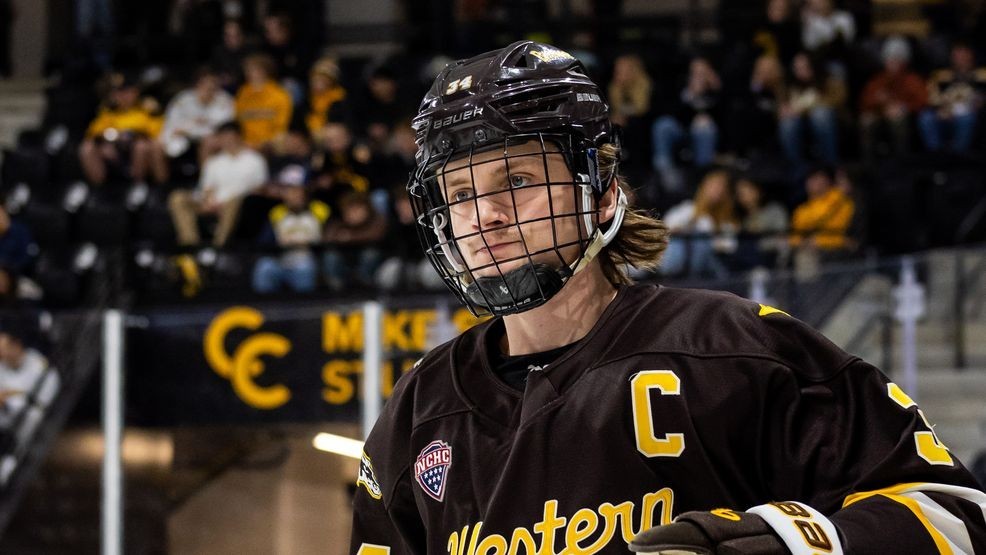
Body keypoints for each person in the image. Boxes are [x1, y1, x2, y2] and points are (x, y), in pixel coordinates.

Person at [350, 40, 986, 555]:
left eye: (515, 179)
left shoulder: (730, 346)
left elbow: (958, 515)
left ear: (599, 191)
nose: (485, 215)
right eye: (459, 195)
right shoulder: (420, 409)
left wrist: (793, 540)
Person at [167, 121, 267, 247]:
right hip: (213, 202)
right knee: (178, 198)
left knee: (233, 203)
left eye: (229, 136)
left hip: (240, 205)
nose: (227, 141)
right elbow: (207, 187)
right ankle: (191, 245)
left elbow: (259, 188)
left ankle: (219, 246)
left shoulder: (255, 160)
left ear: (238, 136)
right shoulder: (214, 162)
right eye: (223, 137)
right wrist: (209, 201)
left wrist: (225, 202)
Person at [78, 73, 168, 186]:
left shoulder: (147, 109)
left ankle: (138, 186)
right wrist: (105, 142)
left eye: (127, 92)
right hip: (117, 151)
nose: (123, 96)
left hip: (140, 149)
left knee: (141, 146)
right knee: (87, 147)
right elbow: (92, 132)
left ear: (136, 92)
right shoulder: (109, 111)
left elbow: (157, 131)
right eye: (120, 93)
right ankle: (99, 189)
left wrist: (137, 133)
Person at [651, 56, 722, 192]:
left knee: (705, 128)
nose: (699, 76)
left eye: (703, 72)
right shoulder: (682, 87)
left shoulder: (718, 90)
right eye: (695, 72)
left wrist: (717, 90)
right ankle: (666, 173)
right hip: (682, 129)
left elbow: (727, 118)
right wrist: (691, 94)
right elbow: (672, 112)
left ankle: (702, 178)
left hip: (705, 135)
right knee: (662, 125)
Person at [251, 180, 328, 294]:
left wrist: (310, 244)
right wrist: (277, 243)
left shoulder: (319, 211)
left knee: (305, 268)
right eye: (290, 195)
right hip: (281, 259)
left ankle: (306, 305)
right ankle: (263, 305)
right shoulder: (277, 214)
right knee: (264, 266)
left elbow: (329, 236)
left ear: (304, 196)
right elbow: (263, 241)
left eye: (297, 195)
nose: (294, 199)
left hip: (306, 259)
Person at [859, 36, 928, 161]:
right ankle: (868, 162)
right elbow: (865, 102)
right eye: (889, 59)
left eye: (896, 60)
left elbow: (922, 101)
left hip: (903, 115)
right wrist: (879, 102)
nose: (892, 63)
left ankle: (901, 159)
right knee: (866, 121)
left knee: (897, 120)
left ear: (904, 62)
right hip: (879, 112)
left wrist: (903, 107)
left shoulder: (912, 80)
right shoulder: (878, 80)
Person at [660, 169, 738, 279]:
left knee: (703, 243)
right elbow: (664, 231)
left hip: (712, 265)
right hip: (681, 261)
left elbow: (730, 246)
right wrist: (686, 228)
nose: (717, 191)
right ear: (703, 187)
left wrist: (710, 241)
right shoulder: (687, 209)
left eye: (722, 187)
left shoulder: (727, 220)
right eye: (713, 186)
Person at [778, 51, 845, 166]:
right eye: (797, 69)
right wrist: (782, 110)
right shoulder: (789, 85)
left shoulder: (829, 80)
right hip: (799, 122)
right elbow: (782, 106)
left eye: (804, 68)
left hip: (831, 120)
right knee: (787, 124)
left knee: (820, 115)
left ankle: (830, 164)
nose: (800, 72)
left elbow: (838, 100)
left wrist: (804, 108)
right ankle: (797, 166)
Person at [919, 41, 986, 154]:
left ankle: (958, 155)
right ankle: (936, 154)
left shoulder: (982, 75)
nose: (961, 58)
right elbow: (932, 98)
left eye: (964, 54)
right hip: (946, 113)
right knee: (926, 117)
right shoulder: (940, 76)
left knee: (967, 118)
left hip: (969, 114)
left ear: (971, 55)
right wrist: (940, 109)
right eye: (957, 54)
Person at [158, 67, 235, 164]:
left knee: (209, 142)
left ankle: (207, 178)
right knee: (157, 145)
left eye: (213, 86)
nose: (208, 89)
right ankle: (160, 180)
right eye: (205, 85)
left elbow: (227, 126)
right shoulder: (182, 99)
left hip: (212, 138)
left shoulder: (225, 100)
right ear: (197, 85)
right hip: (184, 136)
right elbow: (170, 123)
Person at [234, 54, 293, 151]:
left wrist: (265, 142)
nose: (250, 73)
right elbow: (237, 120)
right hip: (245, 143)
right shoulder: (242, 93)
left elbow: (282, 126)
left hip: (270, 143)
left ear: (265, 71)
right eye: (248, 70)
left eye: (255, 70)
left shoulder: (279, 94)